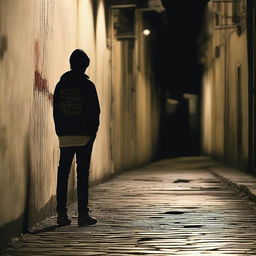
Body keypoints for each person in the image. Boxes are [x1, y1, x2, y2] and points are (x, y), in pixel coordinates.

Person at [53, 49, 100, 227]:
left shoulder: (60, 85)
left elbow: (56, 110)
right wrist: (92, 132)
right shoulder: (88, 86)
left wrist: (60, 131)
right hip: (84, 137)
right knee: (82, 175)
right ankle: (82, 214)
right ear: (85, 66)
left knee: (63, 174)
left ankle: (61, 215)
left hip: (65, 136)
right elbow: (95, 111)